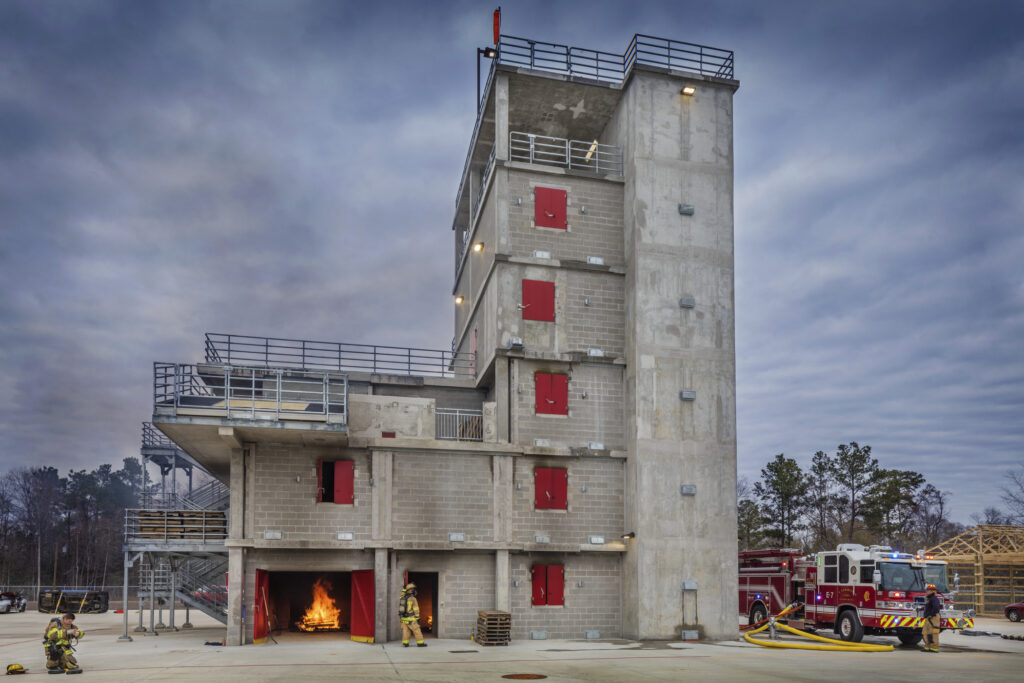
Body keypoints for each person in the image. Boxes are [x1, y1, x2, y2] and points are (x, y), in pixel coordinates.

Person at [398, 582, 427, 647]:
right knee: (417, 630)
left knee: (406, 631)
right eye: (413, 589)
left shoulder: (402, 597)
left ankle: (405, 643)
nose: (414, 591)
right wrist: (417, 618)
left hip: (403, 618)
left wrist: (404, 589)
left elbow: (402, 593)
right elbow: (416, 609)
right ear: (411, 590)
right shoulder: (413, 599)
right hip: (411, 618)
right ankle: (420, 643)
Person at [921, 583, 941, 653]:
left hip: (933, 618)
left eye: (928, 590)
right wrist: (921, 609)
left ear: (932, 591)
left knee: (933, 633)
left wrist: (931, 615)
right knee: (926, 632)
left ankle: (934, 648)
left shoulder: (934, 599)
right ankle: (927, 647)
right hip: (929, 618)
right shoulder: (930, 599)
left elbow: (936, 608)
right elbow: (929, 607)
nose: (926, 591)